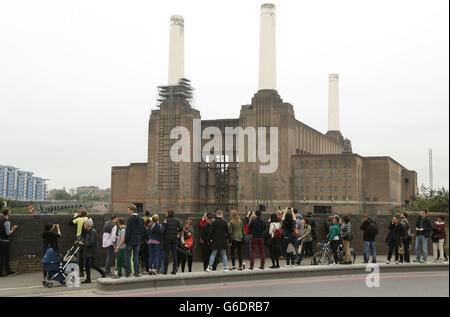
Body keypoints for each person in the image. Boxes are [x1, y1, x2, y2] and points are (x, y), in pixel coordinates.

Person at [78, 219, 105, 283]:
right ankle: (88, 279)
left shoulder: (93, 231)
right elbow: (87, 240)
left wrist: (83, 243)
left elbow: (92, 242)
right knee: (86, 265)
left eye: (85, 224)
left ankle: (103, 272)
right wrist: (81, 241)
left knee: (91, 264)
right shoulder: (87, 231)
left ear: (88, 225)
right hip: (87, 250)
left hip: (92, 250)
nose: (84, 225)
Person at [124, 204, 144, 277]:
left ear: (132, 210)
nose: (128, 211)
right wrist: (140, 239)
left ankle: (128, 273)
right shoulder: (141, 219)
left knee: (128, 257)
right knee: (136, 257)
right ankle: (137, 273)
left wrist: (125, 241)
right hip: (138, 239)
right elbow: (142, 230)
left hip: (130, 240)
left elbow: (128, 231)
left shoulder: (130, 219)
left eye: (128, 210)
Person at [161, 209, 182, 275]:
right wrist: (176, 230)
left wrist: (164, 225)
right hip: (174, 239)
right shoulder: (177, 220)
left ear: (168, 213)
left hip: (167, 239)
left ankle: (165, 270)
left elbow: (162, 231)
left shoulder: (165, 220)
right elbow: (181, 228)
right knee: (174, 255)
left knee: (167, 255)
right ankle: (174, 270)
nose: (165, 214)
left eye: (166, 213)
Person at [0, 208, 18, 277]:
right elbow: (8, 233)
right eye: (9, 211)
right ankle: (7, 271)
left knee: (2, 257)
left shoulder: (1, 221)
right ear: (7, 213)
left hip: (1, 241)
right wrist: (13, 229)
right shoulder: (7, 222)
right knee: (6, 257)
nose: (10, 212)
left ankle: (3, 272)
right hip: (5, 242)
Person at [73, 209, 88, 277]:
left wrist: (76, 216)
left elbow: (72, 222)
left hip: (79, 236)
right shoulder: (88, 219)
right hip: (86, 236)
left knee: (79, 252)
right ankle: (85, 266)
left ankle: (79, 266)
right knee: (85, 251)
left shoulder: (79, 219)